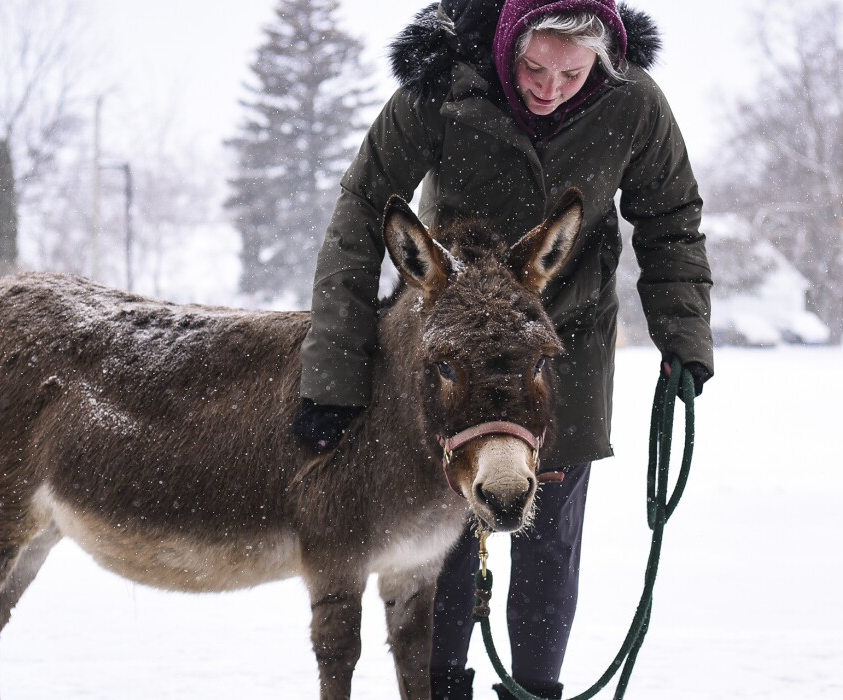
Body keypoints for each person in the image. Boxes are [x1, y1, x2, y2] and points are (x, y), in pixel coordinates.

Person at [291, 1, 714, 698]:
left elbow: (670, 221)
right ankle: (441, 687)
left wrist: (684, 337)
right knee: (446, 539)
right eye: (533, 66)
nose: (549, 86)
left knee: (549, 541)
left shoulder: (635, 103)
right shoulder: (440, 86)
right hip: (450, 352)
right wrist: (334, 377)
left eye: (572, 73)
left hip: (559, 347)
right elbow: (361, 213)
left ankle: (536, 690)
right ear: (507, 41)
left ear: (603, 59)